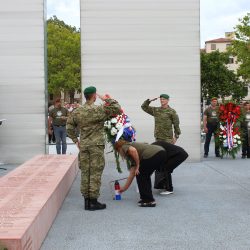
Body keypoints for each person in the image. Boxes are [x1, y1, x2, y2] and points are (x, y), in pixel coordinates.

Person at [66, 86, 121, 211]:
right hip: (96, 146)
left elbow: (69, 127)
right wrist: (107, 99)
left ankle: (86, 201)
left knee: (86, 172)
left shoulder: (78, 111)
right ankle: (93, 202)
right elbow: (117, 108)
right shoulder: (99, 110)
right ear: (94, 96)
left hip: (84, 146)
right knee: (95, 173)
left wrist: (76, 140)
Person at [115, 140, 188, 207]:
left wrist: (137, 165)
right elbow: (132, 174)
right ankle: (147, 199)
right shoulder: (132, 156)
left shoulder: (124, 146)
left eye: (118, 152)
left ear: (119, 148)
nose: (120, 154)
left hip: (154, 154)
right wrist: (124, 189)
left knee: (142, 175)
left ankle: (148, 200)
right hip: (161, 153)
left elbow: (133, 150)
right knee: (143, 174)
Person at [141, 94, 181, 195]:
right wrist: (149, 100)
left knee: (166, 163)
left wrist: (175, 137)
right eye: (161, 99)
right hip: (158, 139)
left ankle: (169, 188)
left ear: (168, 100)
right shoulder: (156, 110)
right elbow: (144, 107)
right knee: (159, 162)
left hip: (167, 140)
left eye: (164, 99)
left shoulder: (172, 112)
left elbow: (177, 126)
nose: (162, 100)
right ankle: (161, 184)